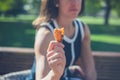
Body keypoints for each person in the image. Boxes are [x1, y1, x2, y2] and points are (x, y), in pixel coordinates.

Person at [26, 0, 97, 80]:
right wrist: (55, 74)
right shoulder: (46, 34)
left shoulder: (83, 29)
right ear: (56, 2)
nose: (74, 3)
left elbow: (90, 73)